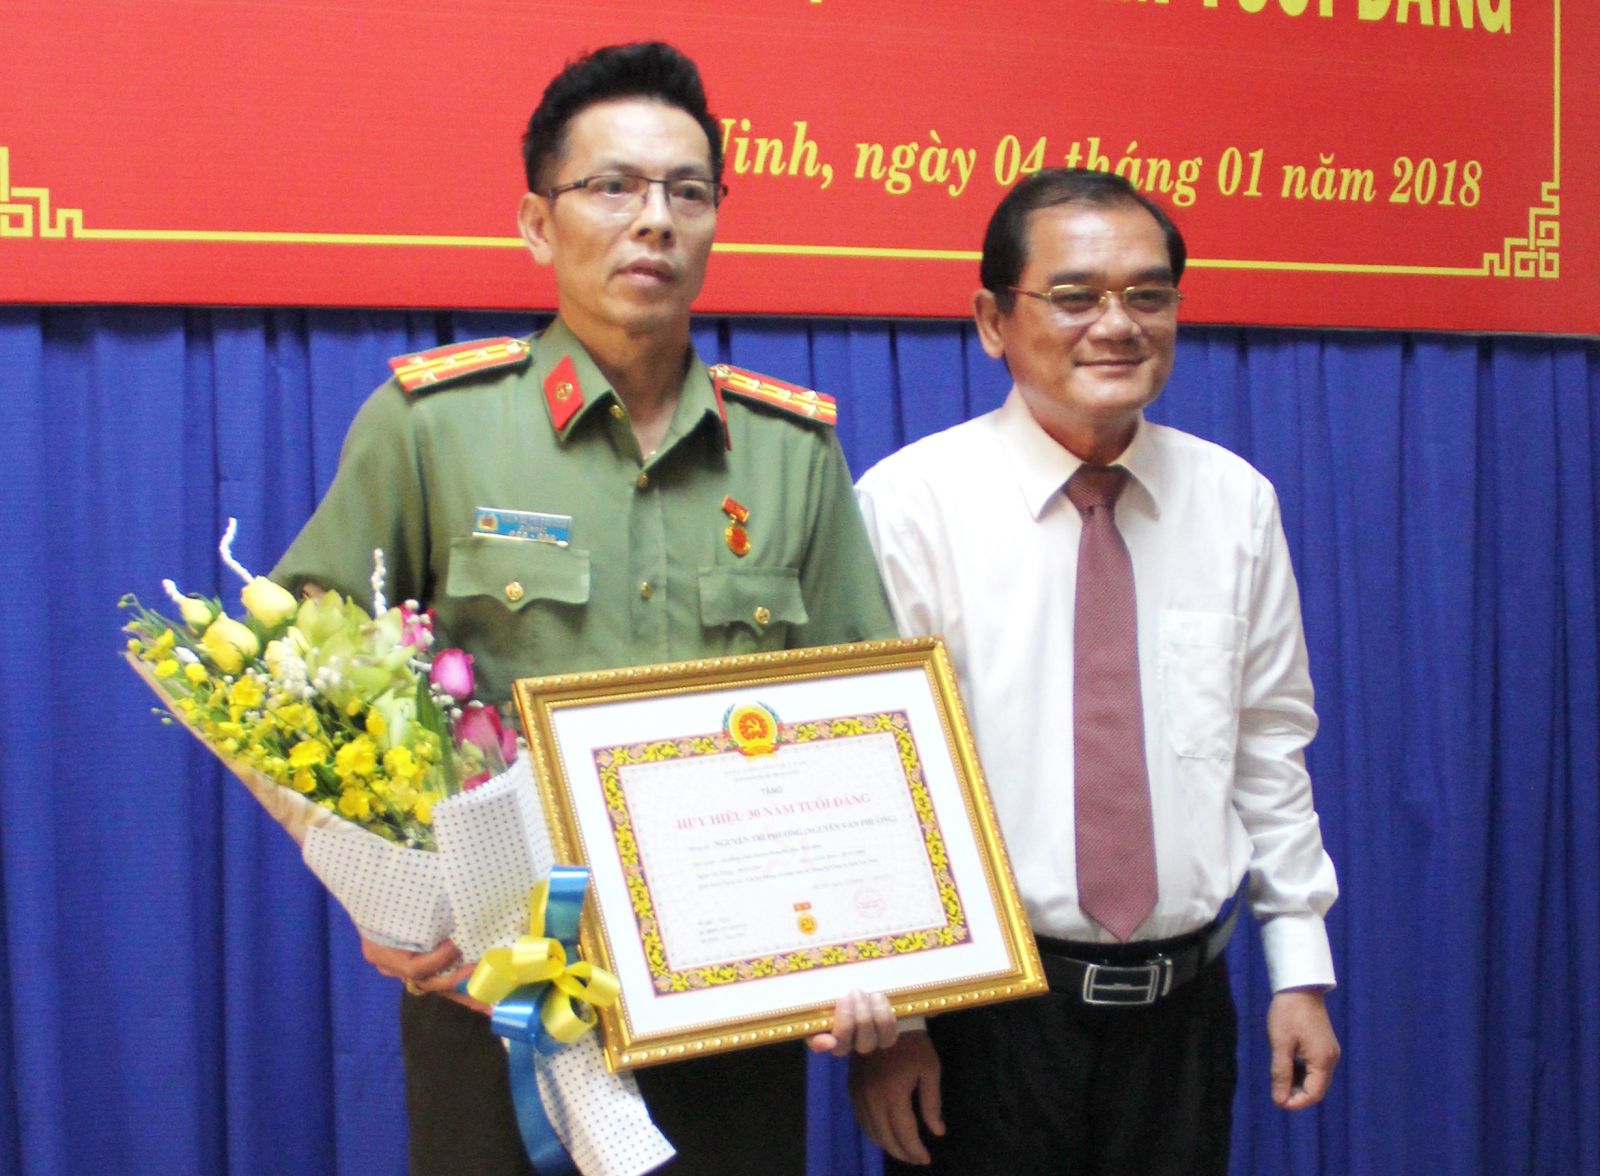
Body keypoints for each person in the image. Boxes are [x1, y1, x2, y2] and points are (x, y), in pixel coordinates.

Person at [272, 41, 898, 1176]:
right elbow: (288, 680)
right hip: (503, 1007)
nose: (653, 219)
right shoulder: (433, 427)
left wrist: (870, 945)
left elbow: (864, 718)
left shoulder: (791, 453)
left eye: (688, 192)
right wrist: (381, 893)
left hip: (733, 1008)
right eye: (612, 186)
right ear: (536, 222)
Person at [850, 168, 1341, 1175]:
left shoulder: (1235, 504)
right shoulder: (909, 506)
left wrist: (1298, 966)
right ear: (993, 320)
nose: (1116, 325)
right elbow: (876, 784)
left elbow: (1267, 747)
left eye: (1148, 295)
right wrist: (901, 1021)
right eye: (1074, 296)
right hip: (983, 1023)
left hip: (1182, 1021)